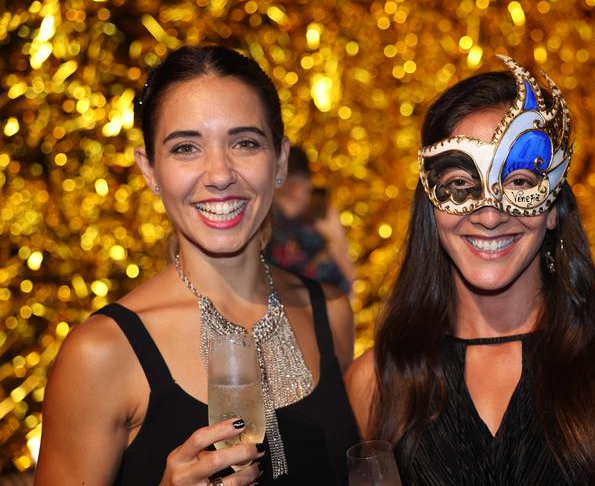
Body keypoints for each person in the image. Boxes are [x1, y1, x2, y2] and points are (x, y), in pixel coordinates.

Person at [35, 45, 359, 486]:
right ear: (149, 170)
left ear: (280, 160)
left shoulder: (330, 311)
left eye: (245, 143)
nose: (219, 173)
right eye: (186, 147)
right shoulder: (101, 353)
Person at [346, 56, 595, 485]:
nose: (490, 216)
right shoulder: (377, 382)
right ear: (432, 208)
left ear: (552, 211)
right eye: (460, 186)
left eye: (520, 182)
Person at [265, 146, 356, 295]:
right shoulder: (263, 217)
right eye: (287, 184)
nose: (295, 192)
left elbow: (349, 283)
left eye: (301, 185)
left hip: (322, 306)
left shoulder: (321, 215)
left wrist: (335, 239)